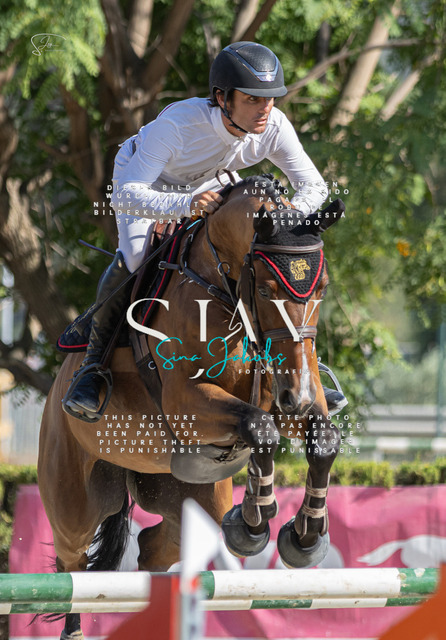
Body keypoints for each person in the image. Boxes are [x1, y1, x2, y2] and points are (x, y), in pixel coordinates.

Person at [63, 41, 347, 421]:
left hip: (211, 180)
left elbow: (314, 187)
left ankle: (304, 370)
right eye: (252, 99)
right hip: (146, 182)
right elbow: (126, 195)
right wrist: (184, 206)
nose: (265, 108)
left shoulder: (274, 126)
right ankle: (92, 369)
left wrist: (289, 218)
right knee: (134, 258)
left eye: (270, 99)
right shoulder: (178, 126)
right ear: (222, 98)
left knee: (265, 262)